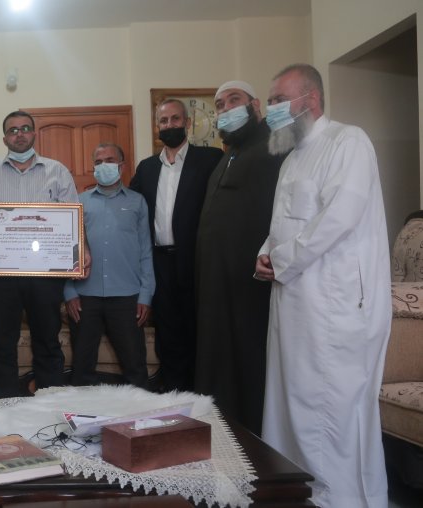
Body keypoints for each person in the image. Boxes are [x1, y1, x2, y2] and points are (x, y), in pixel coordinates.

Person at [254, 63, 391, 508]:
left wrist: (281, 259)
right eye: (270, 101)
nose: (271, 109)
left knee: (329, 407)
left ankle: (341, 499)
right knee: (292, 402)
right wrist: (265, 253)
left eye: (279, 100)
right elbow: (283, 223)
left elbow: (338, 217)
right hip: (293, 299)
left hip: (333, 305)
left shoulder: (347, 142)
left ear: (310, 99)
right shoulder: (292, 157)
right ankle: (300, 492)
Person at [0, 110, 88, 399]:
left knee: (47, 341)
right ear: (4, 138)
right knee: (1, 344)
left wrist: (82, 247)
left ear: (34, 134)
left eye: (24, 129)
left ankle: (50, 407)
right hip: (0, 276)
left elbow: (73, 220)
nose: (19, 134)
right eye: (12, 130)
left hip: (45, 276)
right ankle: (4, 409)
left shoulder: (57, 171)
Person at [193, 80, 286, 435]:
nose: (226, 109)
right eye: (219, 105)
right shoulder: (228, 155)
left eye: (234, 100)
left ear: (255, 105)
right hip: (216, 284)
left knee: (248, 358)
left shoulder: (273, 147)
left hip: (251, 284)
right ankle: (221, 427)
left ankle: (252, 436)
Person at [129, 99, 223, 392]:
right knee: (167, 329)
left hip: (196, 260)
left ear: (188, 123)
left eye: (175, 119)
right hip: (159, 262)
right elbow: (130, 208)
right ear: (157, 126)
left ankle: (202, 391)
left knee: (198, 326)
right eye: (163, 121)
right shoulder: (146, 168)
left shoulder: (210, 159)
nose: (169, 125)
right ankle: (172, 391)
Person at [64, 143, 154, 388]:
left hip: (127, 296)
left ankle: (138, 411)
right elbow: (66, 251)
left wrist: (145, 295)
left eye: (110, 160)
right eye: (98, 161)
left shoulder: (137, 202)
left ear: (121, 166)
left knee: (135, 367)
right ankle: (84, 412)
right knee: (82, 369)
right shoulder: (79, 202)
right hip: (84, 297)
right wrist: (69, 292)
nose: (103, 165)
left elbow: (146, 251)